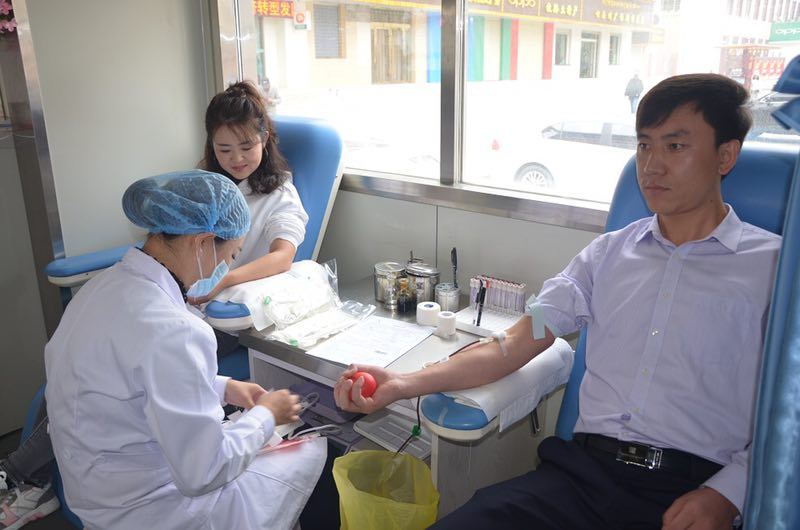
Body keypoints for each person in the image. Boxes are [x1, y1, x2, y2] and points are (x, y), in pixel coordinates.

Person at [335, 73, 779, 530]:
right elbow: (517, 341)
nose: (651, 166)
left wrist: (731, 493)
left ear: (725, 155)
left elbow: (792, 410)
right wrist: (402, 383)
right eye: (644, 145)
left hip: (692, 494)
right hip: (582, 480)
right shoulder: (606, 257)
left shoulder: (776, 271)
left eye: (676, 146)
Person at [43, 170, 326, 530]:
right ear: (203, 243)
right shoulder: (177, 330)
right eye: (232, 254)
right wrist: (266, 414)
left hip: (95, 493)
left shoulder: (99, 289)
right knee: (310, 451)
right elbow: (205, 472)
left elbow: (129, 380)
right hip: (153, 513)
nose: (226, 266)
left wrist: (224, 387)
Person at [195, 80, 306, 306]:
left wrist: (224, 281)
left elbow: (283, 256)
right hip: (188, 293)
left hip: (230, 302)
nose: (236, 158)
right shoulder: (202, 184)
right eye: (224, 149)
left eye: (246, 147)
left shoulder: (280, 195)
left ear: (264, 139)